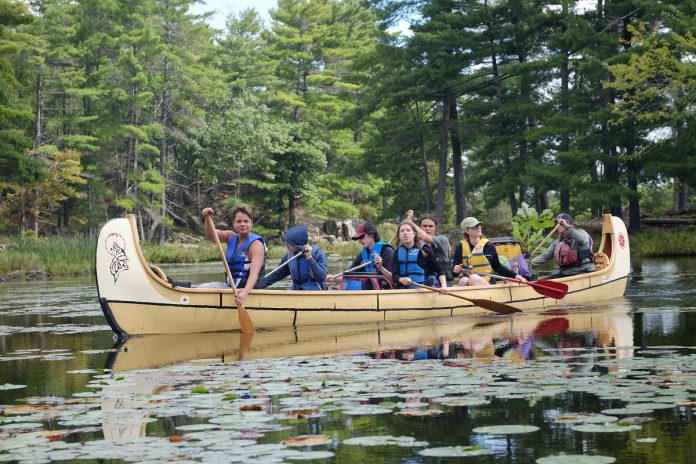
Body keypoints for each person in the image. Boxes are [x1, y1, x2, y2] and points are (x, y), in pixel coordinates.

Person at [200, 206, 266, 305]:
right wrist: (208, 217)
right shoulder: (230, 237)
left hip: (249, 290)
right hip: (230, 288)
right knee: (201, 289)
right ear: (234, 223)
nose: (242, 224)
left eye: (246, 221)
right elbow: (212, 233)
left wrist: (245, 292)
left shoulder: (256, 244)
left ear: (251, 223)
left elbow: (254, 273)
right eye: (239, 221)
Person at [452, 217, 527, 286]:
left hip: (487, 282)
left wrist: (516, 276)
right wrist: (456, 271)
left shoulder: (488, 246)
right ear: (466, 230)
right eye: (474, 227)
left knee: (473, 278)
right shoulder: (460, 247)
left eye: (479, 225)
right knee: (463, 280)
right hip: (469, 281)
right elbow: (454, 274)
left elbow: (497, 267)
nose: (478, 228)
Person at [327, 222, 394, 290]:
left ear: (371, 235)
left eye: (361, 237)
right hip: (370, 291)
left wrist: (381, 267)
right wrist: (333, 278)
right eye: (358, 238)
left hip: (386, 292)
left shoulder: (388, 252)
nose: (359, 241)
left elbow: (394, 281)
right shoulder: (363, 254)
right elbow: (348, 275)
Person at [261, 225, 328, 290]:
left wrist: (310, 258)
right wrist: (257, 285)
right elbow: (275, 276)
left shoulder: (317, 253)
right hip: (297, 292)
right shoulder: (289, 257)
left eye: (288, 243)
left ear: (296, 243)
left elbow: (321, 277)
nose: (287, 246)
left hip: (315, 293)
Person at [530, 213, 595, 279]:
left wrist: (566, 226)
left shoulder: (582, 234)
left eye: (559, 224)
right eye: (556, 224)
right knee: (545, 281)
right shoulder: (558, 242)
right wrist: (526, 266)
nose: (556, 226)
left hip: (583, 272)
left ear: (567, 223)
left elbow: (581, 239)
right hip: (566, 273)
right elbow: (544, 256)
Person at [389, 221, 447, 293]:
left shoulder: (425, 250)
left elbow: (439, 270)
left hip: (422, 290)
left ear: (414, 234)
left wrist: (444, 286)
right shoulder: (397, 252)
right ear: (399, 235)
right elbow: (395, 276)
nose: (405, 233)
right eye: (402, 231)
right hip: (404, 291)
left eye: (408, 230)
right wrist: (402, 280)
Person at [403, 210, 453, 283]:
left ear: (435, 227)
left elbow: (424, 237)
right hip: (420, 282)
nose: (427, 228)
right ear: (420, 227)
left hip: (441, 283)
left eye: (431, 226)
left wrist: (409, 221)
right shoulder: (414, 244)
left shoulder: (442, 240)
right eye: (424, 226)